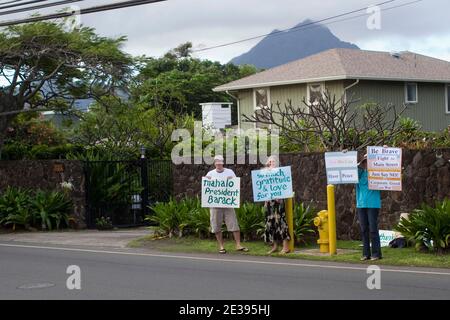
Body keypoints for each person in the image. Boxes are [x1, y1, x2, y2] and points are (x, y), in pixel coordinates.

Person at [205, 155, 249, 254]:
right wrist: (206, 180)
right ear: (214, 163)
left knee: (234, 224)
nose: (219, 164)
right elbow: (206, 188)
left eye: (220, 162)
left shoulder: (230, 172)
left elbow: (236, 185)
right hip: (215, 205)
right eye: (217, 162)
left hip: (228, 204)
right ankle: (221, 246)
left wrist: (232, 179)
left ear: (223, 163)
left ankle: (238, 245)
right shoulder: (210, 173)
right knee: (216, 226)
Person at [356, 152, 382, 261]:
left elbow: (389, 166)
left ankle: (376, 254)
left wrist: (384, 149)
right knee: (364, 229)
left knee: (373, 229)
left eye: (369, 161)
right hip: (361, 204)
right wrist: (345, 155)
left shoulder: (377, 174)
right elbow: (348, 170)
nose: (367, 163)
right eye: (366, 161)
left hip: (373, 204)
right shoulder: (360, 173)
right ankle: (366, 254)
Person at [263, 155, 291, 254]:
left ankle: (286, 247)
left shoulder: (281, 173)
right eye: (270, 162)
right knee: (270, 223)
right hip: (268, 202)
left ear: (277, 163)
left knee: (281, 222)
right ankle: (275, 246)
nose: (271, 163)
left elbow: (285, 186)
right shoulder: (264, 173)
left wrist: (279, 195)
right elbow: (262, 188)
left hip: (279, 201)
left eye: (273, 161)